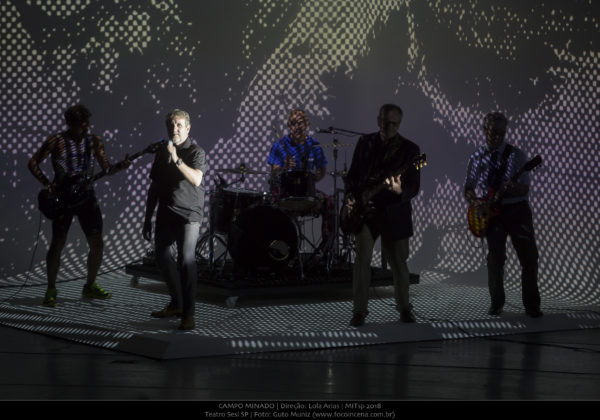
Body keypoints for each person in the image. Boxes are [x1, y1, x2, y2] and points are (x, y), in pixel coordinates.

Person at [28, 104, 130, 307]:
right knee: (58, 243)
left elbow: (106, 168)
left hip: (86, 198)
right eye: (81, 124)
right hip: (63, 199)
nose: (85, 127)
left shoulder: (94, 141)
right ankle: (51, 288)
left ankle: (90, 286)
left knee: (97, 243)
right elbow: (33, 163)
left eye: (86, 123)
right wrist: (48, 184)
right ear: (70, 123)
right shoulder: (56, 141)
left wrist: (120, 167)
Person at [343, 104, 421, 326]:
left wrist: (399, 191)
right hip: (365, 212)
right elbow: (352, 176)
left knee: (398, 262)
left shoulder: (411, 151)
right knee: (361, 261)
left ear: (400, 124)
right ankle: (359, 312)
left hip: (395, 212)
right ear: (378, 120)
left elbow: (414, 186)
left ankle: (405, 308)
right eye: (386, 122)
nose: (389, 127)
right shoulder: (365, 142)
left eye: (394, 123)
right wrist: (350, 196)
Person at [464, 112, 542, 318]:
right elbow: (469, 187)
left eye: (501, 133)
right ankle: (496, 303)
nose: (497, 137)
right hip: (492, 213)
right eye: (492, 132)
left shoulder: (517, 156)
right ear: (484, 130)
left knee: (529, 258)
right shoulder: (477, 157)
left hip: (517, 210)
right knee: (495, 259)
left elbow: (525, 189)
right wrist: (476, 204)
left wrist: (514, 187)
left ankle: (532, 306)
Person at [143, 109, 207, 330]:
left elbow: (197, 179)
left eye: (179, 125)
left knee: (186, 260)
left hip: (189, 215)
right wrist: (147, 217)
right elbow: (154, 187)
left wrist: (175, 158)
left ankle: (188, 314)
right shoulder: (161, 152)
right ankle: (176, 303)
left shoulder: (196, 152)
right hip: (166, 212)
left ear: (188, 128)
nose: (175, 129)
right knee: (161, 256)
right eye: (171, 125)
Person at [268, 109, 334, 251]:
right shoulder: (279, 145)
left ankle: (326, 249)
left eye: (300, 123)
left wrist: (313, 178)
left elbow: (322, 171)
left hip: (306, 192)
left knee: (330, 202)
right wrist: (283, 166)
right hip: (284, 192)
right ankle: (278, 248)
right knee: (270, 207)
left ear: (307, 125)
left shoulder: (314, 145)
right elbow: (272, 172)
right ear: (288, 125)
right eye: (293, 123)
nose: (296, 127)